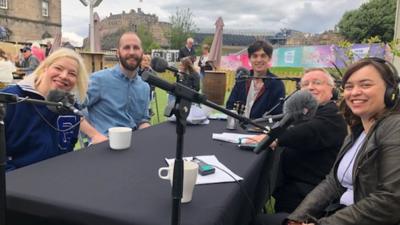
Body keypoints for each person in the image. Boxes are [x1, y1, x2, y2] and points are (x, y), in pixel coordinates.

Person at [253, 58, 400, 225]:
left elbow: (390, 200)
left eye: (365, 85)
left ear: (390, 90)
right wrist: (295, 218)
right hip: (340, 213)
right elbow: (333, 182)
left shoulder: (395, 127)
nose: (355, 92)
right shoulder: (357, 130)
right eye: (349, 87)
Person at [248, 68, 347, 214]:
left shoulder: (333, 115)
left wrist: (275, 138)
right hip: (293, 186)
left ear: (332, 90)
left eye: (317, 83)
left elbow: (308, 132)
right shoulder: (307, 112)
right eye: (305, 84)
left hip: (309, 193)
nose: (310, 87)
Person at [2, 48, 89, 171]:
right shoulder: (9, 99)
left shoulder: (71, 107)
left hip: (56, 178)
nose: (64, 76)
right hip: (15, 180)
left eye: (72, 73)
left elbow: (68, 148)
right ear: (45, 68)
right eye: (58, 68)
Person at [81, 32, 151, 136]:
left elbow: (142, 121)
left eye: (136, 48)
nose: (132, 52)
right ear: (118, 53)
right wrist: (95, 136)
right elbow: (72, 109)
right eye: (126, 47)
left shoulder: (144, 87)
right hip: (104, 146)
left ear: (142, 53)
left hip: (135, 145)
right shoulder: (99, 80)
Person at [226, 40, 285, 118]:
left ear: (269, 58)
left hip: (262, 127)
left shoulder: (277, 84)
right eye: (255, 56)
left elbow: (277, 114)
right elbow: (230, 105)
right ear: (249, 58)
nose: (259, 60)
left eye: (263, 56)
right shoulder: (242, 80)